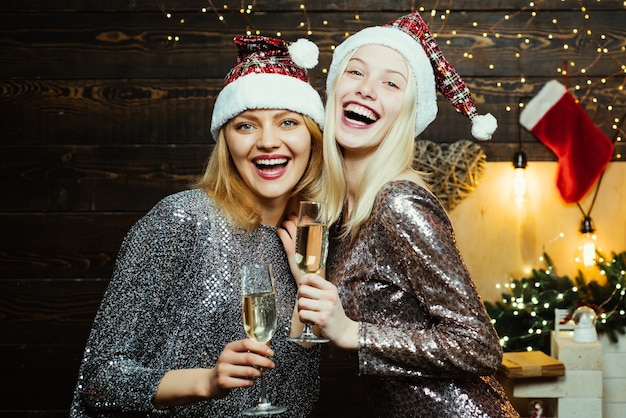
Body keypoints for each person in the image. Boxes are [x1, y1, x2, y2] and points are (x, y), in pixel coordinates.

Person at [70, 34, 325, 417]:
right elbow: (101, 380)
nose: (268, 142)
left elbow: (291, 399)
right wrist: (207, 381)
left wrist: (308, 291)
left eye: (288, 122)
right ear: (226, 142)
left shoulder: (308, 240)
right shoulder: (183, 219)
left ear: (312, 138)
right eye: (246, 126)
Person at [279, 12, 520, 417]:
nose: (368, 90)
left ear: (408, 113)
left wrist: (353, 332)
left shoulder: (400, 203)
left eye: (391, 83)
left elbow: (479, 345)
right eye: (355, 72)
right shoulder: (343, 210)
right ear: (334, 87)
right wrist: (311, 283)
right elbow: (311, 341)